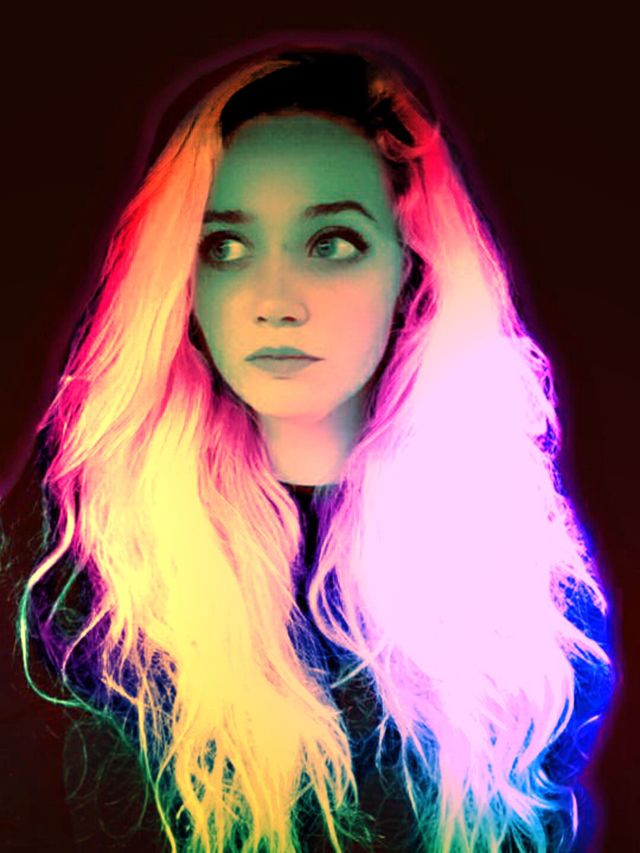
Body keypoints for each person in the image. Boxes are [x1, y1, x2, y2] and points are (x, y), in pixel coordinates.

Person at [6, 38, 615, 852]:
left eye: (331, 243)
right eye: (226, 246)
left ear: (412, 269)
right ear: (183, 283)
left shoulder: (519, 590)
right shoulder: (73, 584)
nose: (275, 301)